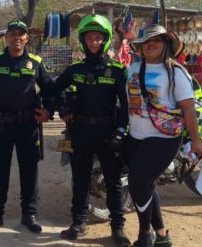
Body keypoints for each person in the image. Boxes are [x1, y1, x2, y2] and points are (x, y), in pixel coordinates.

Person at [54, 14, 130, 245]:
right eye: (89, 38)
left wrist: (120, 130)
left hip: (108, 133)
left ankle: (118, 227)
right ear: (83, 40)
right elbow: (53, 89)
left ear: (105, 40)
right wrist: (63, 108)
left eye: (98, 38)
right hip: (80, 132)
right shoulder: (75, 69)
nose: (94, 42)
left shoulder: (117, 71)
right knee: (80, 180)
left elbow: (127, 105)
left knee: (113, 181)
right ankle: (78, 223)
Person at [126, 24, 202, 246]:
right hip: (135, 136)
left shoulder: (176, 72)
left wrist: (196, 142)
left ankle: (144, 234)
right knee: (146, 184)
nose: (150, 44)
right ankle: (162, 235)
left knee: (137, 182)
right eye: (146, 41)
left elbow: (188, 108)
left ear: (166, 45)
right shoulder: (133, 69)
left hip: (164, 138)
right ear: (140, 47)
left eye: (157, 40)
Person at [0, 20, 56, 234]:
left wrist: (48, 111)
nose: (17, 38)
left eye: (21, 34)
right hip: (1, 126)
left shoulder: (35, 62)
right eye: (13, 34)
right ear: (6, 37)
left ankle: (29, 215)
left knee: (29, 171)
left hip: (28, 126)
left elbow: (50, 90)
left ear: (26, 38)